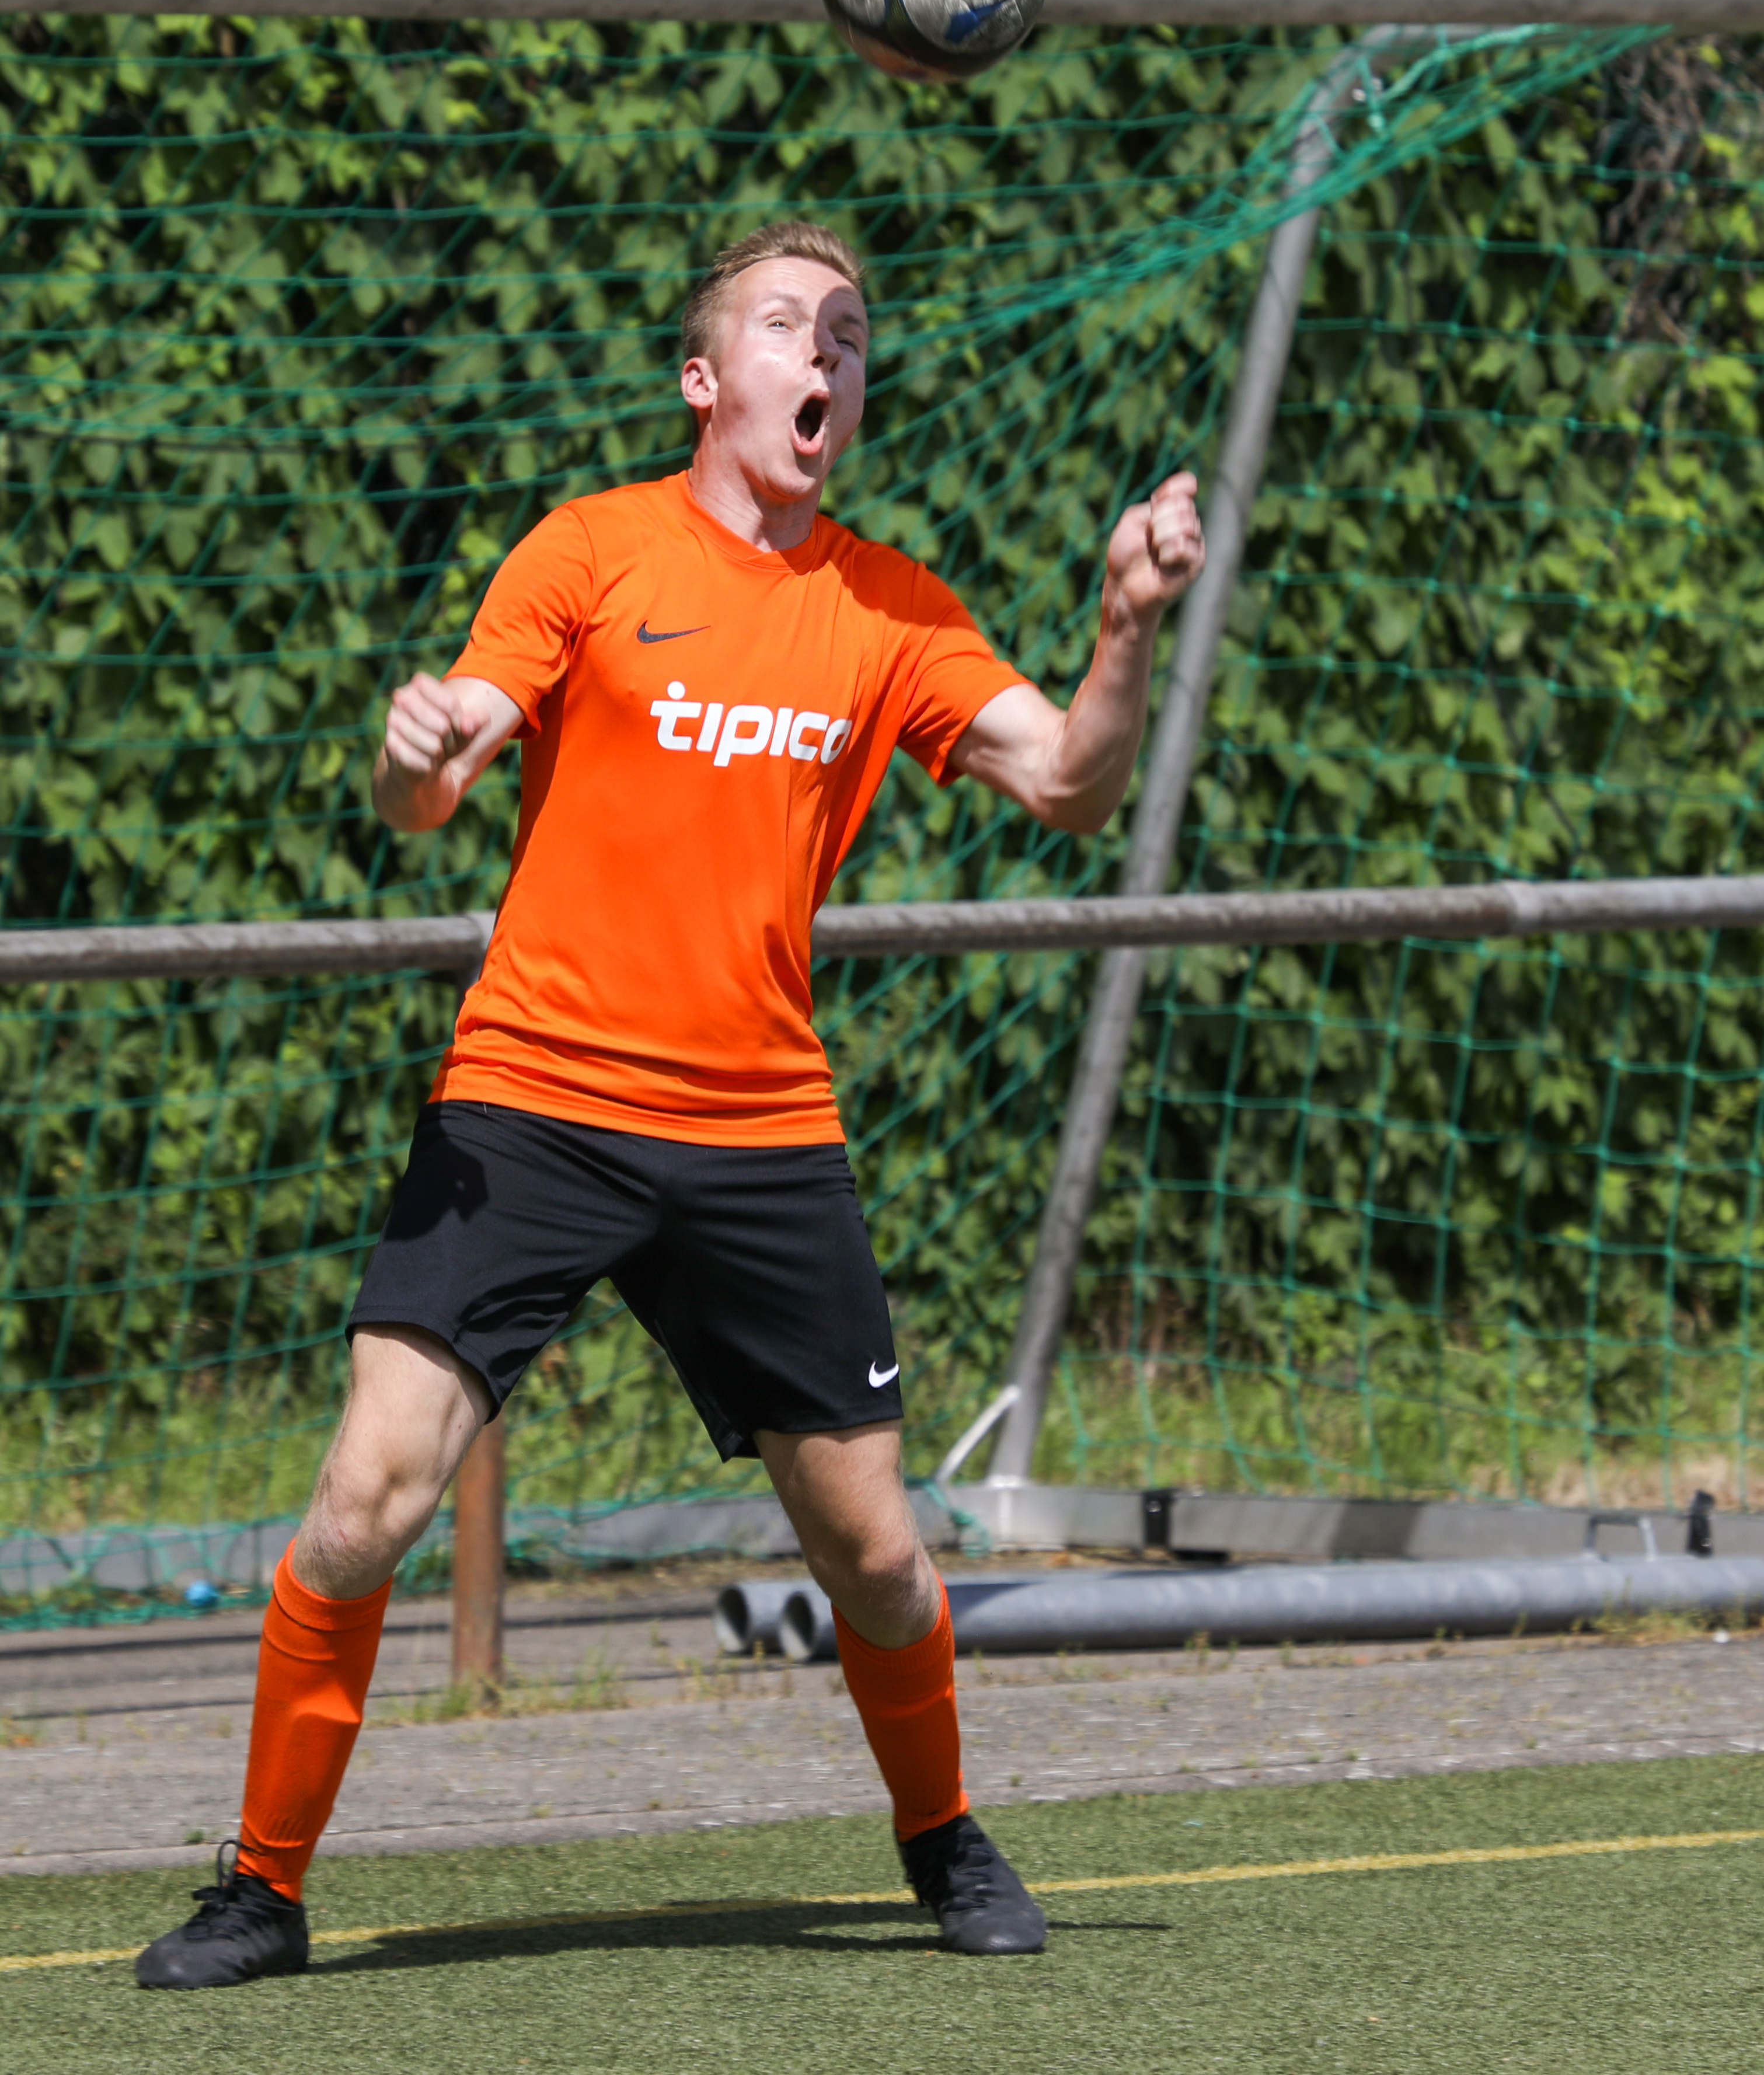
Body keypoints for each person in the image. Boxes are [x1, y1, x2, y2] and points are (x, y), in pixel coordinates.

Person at [135, 219, 1205, 1987]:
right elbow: (443, 770)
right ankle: (259, 1887)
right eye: (790, 326)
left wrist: (1125, 623)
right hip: (532, 1100)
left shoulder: (888, 605)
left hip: (759, 1127)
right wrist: (415, 762)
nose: (827, 356)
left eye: (850, 337)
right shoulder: (588, 548)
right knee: (366, 1500)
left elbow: (1074, 785)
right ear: (708, 380)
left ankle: (944, 1835)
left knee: (878, 1558)